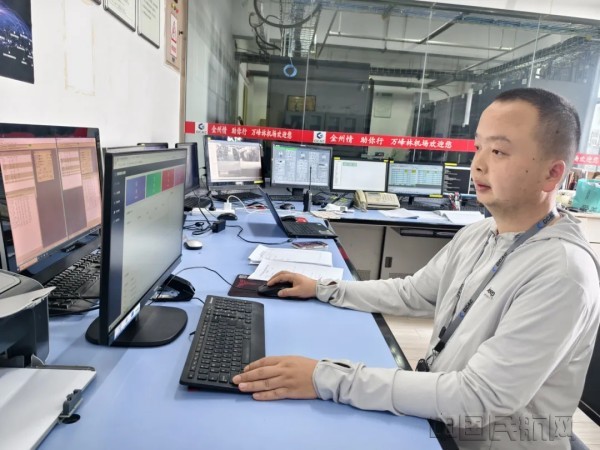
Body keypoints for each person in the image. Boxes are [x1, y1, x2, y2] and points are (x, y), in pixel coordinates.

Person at [232, 88, 600, 449]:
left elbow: (478, 398)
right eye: (478, 147)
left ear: (552, 174)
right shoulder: (481, 233)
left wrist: (327, 378)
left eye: (499, 151)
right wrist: (323, 288)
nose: (478, 164)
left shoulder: (562, 273)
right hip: (439, 421)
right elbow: (412, 293)